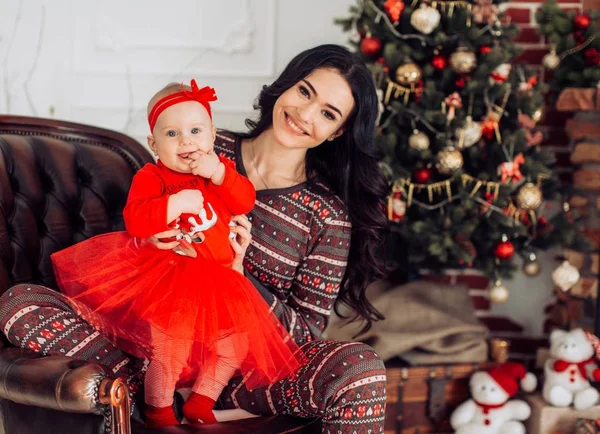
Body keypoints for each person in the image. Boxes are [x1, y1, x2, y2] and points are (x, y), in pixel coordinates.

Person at [0, 44, 389, 433]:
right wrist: (151, 243)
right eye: (305, 91)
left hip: (243, 374)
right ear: (287, 86)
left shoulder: (327, 215)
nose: (305, 114)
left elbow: (303, 334)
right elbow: (139, 220)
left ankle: (175, 399)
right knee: (19, 304)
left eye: (327, 113)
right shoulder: (198, 141)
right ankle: (152, 395)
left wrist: (240, 275)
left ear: (337, 132)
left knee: (361, 372)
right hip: (155, 339)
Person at [49, 80, 305, 428]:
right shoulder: (153, 176)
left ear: (212, 135)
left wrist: (217, 173)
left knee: (235, 345)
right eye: (172, 134)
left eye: (196, 130)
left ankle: (202, 399)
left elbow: (244, 200)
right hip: (174, 278)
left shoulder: (220, 172)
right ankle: (158, 408)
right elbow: (135, 220)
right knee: (171, 351)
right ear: (154, 144)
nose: (186, 141)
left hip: (223, 279)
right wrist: (173, 204)